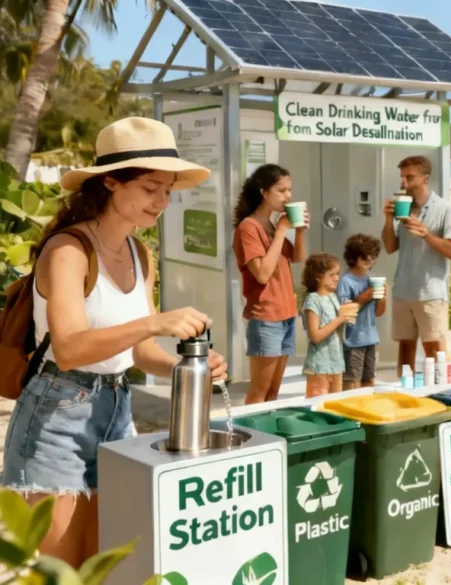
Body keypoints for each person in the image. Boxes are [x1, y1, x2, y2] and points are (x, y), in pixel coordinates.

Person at [0, 117, 228, 567]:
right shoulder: (67, 251)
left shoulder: (141, 255)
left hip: (117, 410)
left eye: (168, 190)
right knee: (58, 570)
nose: (162, 201)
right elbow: (70, 349)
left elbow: (138, 354)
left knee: (108, 563)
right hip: (56, 413)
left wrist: (190, 370)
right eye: (150, 188)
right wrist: (153, 323)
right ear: (110, 182)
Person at [232, 163, 308, 405]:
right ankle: (248, 430)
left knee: (274, 392)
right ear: (264, 192)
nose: (288, 196)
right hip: (266, 317)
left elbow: (297, 257)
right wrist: (282, 230)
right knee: (259, 391)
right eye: (281, 190)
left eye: (289, 190)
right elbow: (262, 274)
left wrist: (300, 231)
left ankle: (269, 429)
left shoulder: (271, 224)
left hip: (286, 314)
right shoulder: (248, 227)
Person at [381, 156, 451, 376]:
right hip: (403, 290)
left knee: (435, 350)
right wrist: (388, 220)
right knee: (405, 349)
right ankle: (404, 391)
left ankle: (439, 391)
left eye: (409, 177)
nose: (403, 182)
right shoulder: (403, 208)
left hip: (431, 293)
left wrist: (427, 235)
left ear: (425, 178)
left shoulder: (446, 210)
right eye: (402, 177)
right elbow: (390, 247)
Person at [300, 253, 359, 398]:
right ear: (317, 276)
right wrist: (339, 319)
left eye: (337, 274)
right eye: (331, 274)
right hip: (319, 367)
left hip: (336, 364)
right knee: (318, 406)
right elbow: (315, 336)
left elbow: (336, 329)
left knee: (334, 406)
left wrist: (345, 313)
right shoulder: (313, 300)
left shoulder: (333, 297)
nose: (337, 278)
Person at [336, 234, 388, 390]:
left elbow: (379, 313)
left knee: (369, 381)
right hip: (352, 340)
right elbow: (343, 313)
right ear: (353, 257)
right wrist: (363, 298)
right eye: (365, 256)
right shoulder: (346, 281)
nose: (370, 259)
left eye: (373, 256)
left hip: (371, 339)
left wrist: (383, 298)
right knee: (352, 383)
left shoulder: (371, 280)